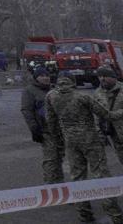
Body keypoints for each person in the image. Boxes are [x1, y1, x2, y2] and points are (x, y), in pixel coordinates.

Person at [46, 72, 123, 223]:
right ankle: (115, 215)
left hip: (70, 142)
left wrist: (58, 140)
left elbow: (51, 121)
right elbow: (107, 115)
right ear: (73, 81)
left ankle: (84, 214)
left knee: (78, 177)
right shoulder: (83, 97)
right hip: (90, 140)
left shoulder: (51, 96)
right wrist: (121, 112)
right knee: (101, 176)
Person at [21, 65, 64, 183]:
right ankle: (50, 187)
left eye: (47, 75)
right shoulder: (29, 90)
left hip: (59, 130)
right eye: (41, 76)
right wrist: (34, 128)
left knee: (59, 159)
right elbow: (27, 110)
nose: (45, 78)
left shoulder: (54, 89)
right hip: (45, 130)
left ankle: (60, 185)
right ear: (36, 78)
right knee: (50, 160)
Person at [94, 65, 123, 166]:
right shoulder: (97, 93)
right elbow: (96, 115)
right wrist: (100, 132)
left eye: (105, 75)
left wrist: (115, 114)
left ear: (113, 77)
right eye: (99, 76)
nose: (102, 78)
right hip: (113, 133)